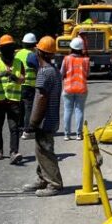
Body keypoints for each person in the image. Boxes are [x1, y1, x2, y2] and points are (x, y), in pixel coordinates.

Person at [23, 35, 64, 197]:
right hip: (51, 119)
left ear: (39, 52)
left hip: (45, 120)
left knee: (46, 152)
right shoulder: (52, 70)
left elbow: (41, 98)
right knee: (40, 150)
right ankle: (43, 178)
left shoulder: (44, 73)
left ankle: (54, 184)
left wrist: (33, 122)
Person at [0, 34, 25, 164]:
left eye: (11, 47)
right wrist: (2, 74)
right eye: (6, 47)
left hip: (13, 101)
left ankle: (14, 152)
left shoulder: (19, 63)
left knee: (14, 128)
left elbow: (22, 80)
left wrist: (14, 76)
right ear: (1, 49)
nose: (9, 50)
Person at [60, 36, 90, 141]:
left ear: (71, 48)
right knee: (79, 111)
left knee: (68, 111)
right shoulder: (86, 60)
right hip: (81, 88)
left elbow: (61, 73)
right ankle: (78, 134)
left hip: (68, 88)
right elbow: (87, 74)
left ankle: (67, 134)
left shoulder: (66, 59)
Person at [15, 33, 39, 139]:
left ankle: (19, 129)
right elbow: (37, 69)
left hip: (18, 84)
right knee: (29, 107)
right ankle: (28, 130)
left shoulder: (18, 54)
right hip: (29, 84)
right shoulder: (32, 55)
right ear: (34, 44)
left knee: (20, 108)